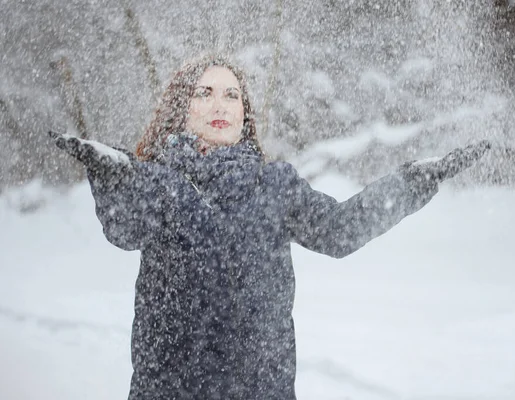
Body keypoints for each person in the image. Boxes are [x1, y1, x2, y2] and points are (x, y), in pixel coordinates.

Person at [49, 55, 490, 399]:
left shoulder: (273, 186)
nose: (220, 104)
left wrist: (414, 180)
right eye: (205, 93)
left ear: (246, 113)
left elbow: (340, 231)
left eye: (232, 95)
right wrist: (113, 175)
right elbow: (124, 229)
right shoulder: (157, 181)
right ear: (181, 109)